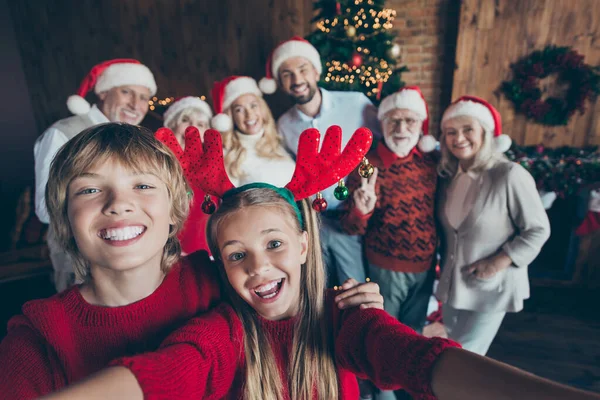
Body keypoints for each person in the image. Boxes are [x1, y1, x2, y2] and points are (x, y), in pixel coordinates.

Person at [42, 128, 600, 400]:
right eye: (237, 256)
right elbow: (166, 374)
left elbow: (421, 360)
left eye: (275, 245)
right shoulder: (221, 330)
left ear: (306, 245)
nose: (259, 267)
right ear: (216, 263)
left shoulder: (346, 318)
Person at [2, 124, 379, 400]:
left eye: (143, 185)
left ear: (174, 210)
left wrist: (346, 307)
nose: (118, 203)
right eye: (89, 189)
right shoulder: (38, 335)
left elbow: (293, 320)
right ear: (65, 216)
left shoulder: (222, 282)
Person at [341, 86, 440, 400]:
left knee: (412, 341)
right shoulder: (366, 165)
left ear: (421, 126)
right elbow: (351, 227)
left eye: (409, 121)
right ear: (382, 124)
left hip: (425, 269)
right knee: (384, 339)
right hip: (385, 267)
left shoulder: (430, 163)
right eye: (394, 121)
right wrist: (363, 208)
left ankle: (407, 393)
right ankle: (380, 395)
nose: (401, 129)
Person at [260, 36, 381, 286]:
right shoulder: (284, 125)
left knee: (354, 283)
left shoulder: (356, 104)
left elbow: (385, 141)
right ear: (280, 82)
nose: (297, 80)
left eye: (302, 69)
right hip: (312, 219)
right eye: (287, 74)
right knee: (317, 285)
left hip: (352, 216)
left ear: (316, 71)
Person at [437, 96, 551, 355]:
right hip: (454, 287)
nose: (459, 138)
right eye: (451, 132)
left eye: (468, 130)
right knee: (454, 351)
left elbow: (538, 229)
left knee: (465, 359)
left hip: (492, 287)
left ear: (485, 133)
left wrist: (499, 261)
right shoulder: (447, 177)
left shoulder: (509, 174)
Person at [34, 58, 157, 291]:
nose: (135, 104)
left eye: (143, 97)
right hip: (81, 267)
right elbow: (44, 207)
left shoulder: (138, 139)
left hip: (134, 265)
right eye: (126, 92)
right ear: (103, 92)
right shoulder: (62, 133)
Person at [210, 75, 295, 187]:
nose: (249, 115)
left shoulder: (279, 140)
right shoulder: (228, 156)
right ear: (231, 117)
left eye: (253, 106)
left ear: (262, 108)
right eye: (239, 110)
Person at [161, 96, 214, 254]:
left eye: (201, 124)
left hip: (209, 257)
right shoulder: (158, 165)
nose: (193, 128)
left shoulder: (214, 166)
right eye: (185, 120)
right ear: (171, 126)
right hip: (169, 255)